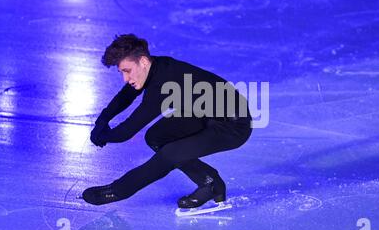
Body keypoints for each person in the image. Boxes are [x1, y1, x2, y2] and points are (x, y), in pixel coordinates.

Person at [83, 34, 252, 208]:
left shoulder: (163, 84)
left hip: (232, 126)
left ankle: (118, 190)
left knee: (170, 153)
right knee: (157, 137)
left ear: (142, 61)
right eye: (122, 72)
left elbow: (128, 130)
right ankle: (210, 182)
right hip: (203, 114)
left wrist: (103, 136)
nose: (125, 79)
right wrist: (102, 121)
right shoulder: (154, 66)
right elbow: (126, 96)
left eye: (127, 71)